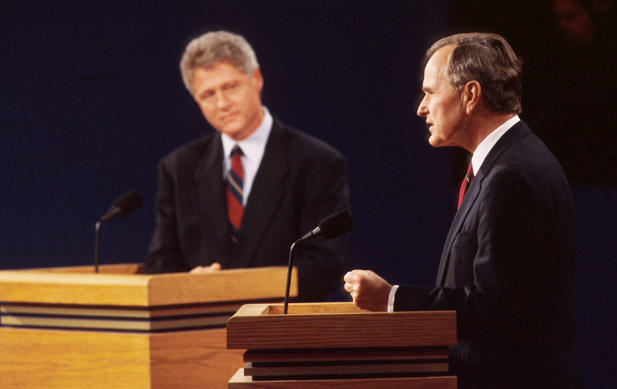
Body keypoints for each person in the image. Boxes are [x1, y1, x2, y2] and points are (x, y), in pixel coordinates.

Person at [344, 33, 581, 388]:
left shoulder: (511, 175)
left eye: (430, 92)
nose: (421, 107)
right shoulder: (511, 160)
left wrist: (390, 298)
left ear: (470, 95)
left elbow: (494, 310)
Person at [145, 31, 349, 302]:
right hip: (199, 331)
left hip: (279, 330)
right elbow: (161, 261)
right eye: (208, 94)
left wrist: (232, 289)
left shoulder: (317, 162)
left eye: (231, 87)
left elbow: (323, 266)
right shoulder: (178, 168)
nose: (222, 104)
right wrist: (190, 284)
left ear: (256, 79)